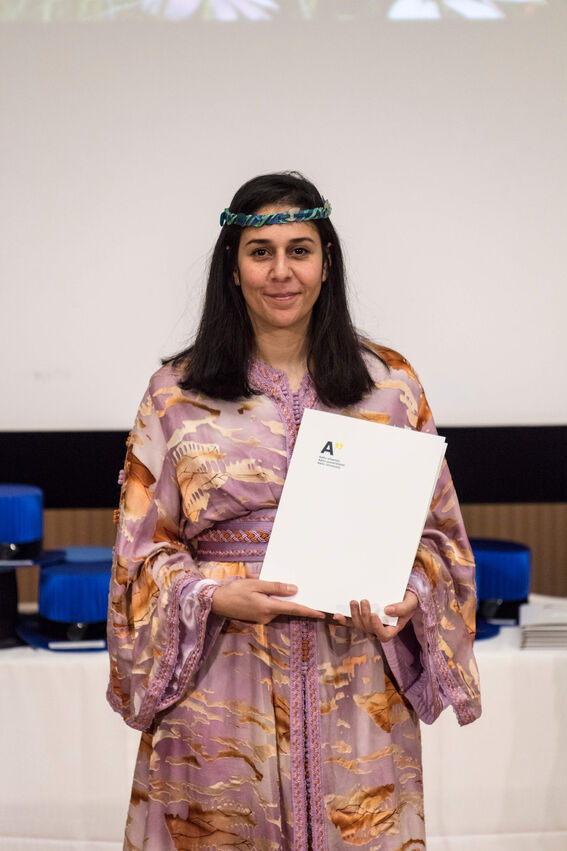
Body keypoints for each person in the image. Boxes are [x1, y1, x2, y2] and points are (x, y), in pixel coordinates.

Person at [107, 171, 481, 850]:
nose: (281, 272)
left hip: (355, 676)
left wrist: (406, 595)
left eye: (299, 249)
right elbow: (141, 556)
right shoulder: (174, 394)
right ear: (232, 268)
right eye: (261, 252)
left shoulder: (388, 386)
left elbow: (438, 538)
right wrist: (213, 595)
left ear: (326, 262)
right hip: (219, 685)